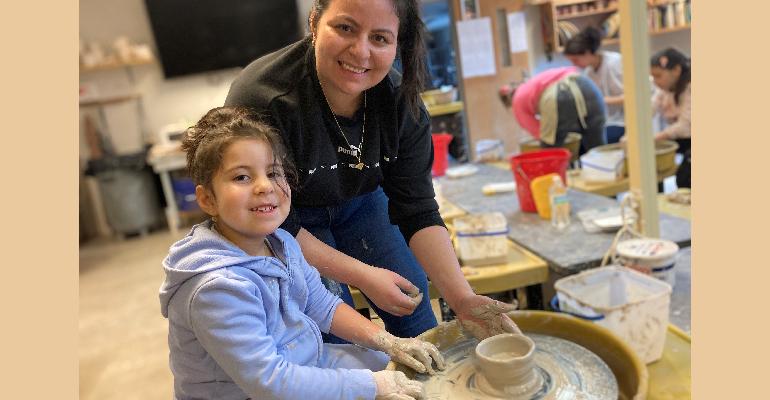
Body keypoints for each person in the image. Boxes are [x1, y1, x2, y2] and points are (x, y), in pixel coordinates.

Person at [225, 0, 520, 342]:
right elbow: (270, 221)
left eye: (380, 38)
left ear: (397, 45)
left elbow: (418, 208)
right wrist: (364, 276)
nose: (360, 51)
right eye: (345, 28)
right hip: (285, 220)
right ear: (314, 22)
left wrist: (462, 298)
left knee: (416, 313)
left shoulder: (400, 102)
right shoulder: (262, 99)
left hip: (362, 203)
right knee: (334, 335)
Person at [159, 106, 444, 400]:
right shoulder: (216, 289)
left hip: (300, 362)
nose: (264, 186)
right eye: (242, 177)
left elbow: (321, 306)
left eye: (272, 172)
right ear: (207, 199)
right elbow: (270, 382)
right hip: (249, 391)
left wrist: (389, 343)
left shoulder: (281, 242)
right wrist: (373, 385)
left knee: (399, 370)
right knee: (380, 384)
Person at [504, 66, 607, 153]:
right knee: (596, 149)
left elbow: (540, 133)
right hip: (586, 84)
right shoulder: (530, 84)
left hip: (560, 94)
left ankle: (555, 175)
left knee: (550, 149)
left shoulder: (517, 102)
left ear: (508, 103)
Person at [564, 26, 626, 144]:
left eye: (576, 60)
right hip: (607, 120)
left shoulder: (614, 63)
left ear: (587, 53)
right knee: (575, 138)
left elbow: (631, 97)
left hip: (623, 121)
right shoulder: (588, 72)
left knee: (594, 141)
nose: (574, 64)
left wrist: (600, 100)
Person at [650, 47, 691, 188]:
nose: (655, 81)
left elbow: (685, 126)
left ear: (676, 71)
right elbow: (650, 108)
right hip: (680, 138)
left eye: (658, 76)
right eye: (652, 76)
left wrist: (658, 137)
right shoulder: (663, 89)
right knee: (651, 168)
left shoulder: (690, 87)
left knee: (685, 179)